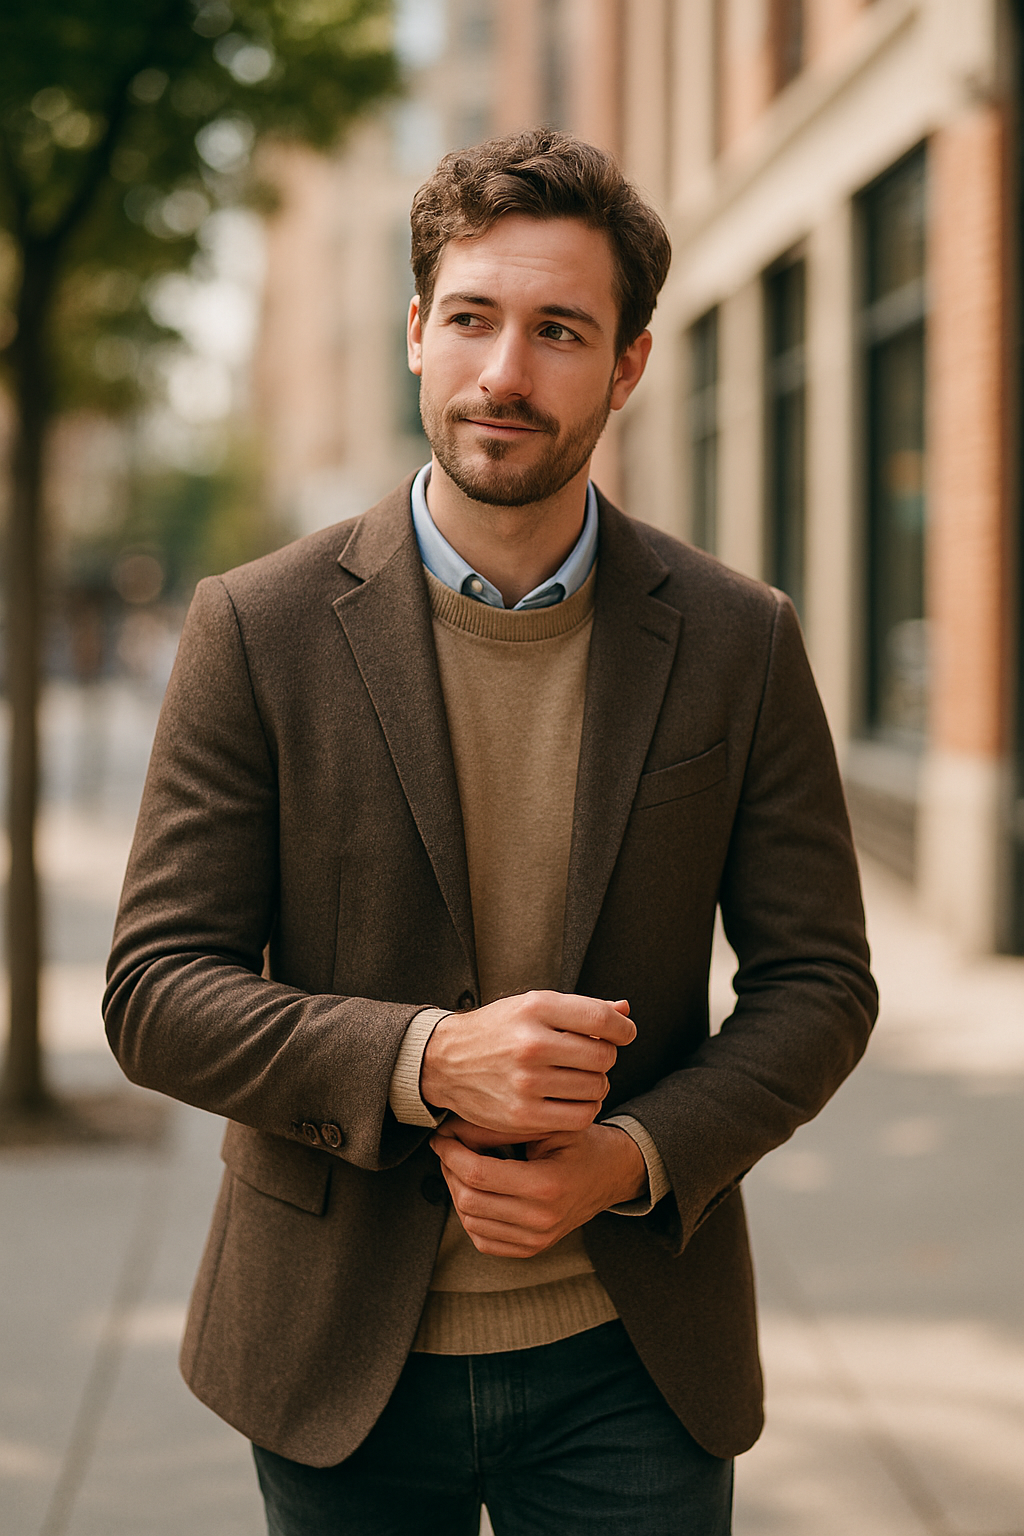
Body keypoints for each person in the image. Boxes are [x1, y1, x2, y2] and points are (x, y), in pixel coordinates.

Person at [105, 129, 877, 1536]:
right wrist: (421, 1060)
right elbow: (156, 991)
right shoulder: (255, 628)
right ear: (415, 332)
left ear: (630, 364)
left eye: (560, 331)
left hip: (634, 1360)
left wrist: (631, 1159)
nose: (504, 373)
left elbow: (822, 984)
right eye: (470, 318)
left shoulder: (737, 640)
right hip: (337, 1356)